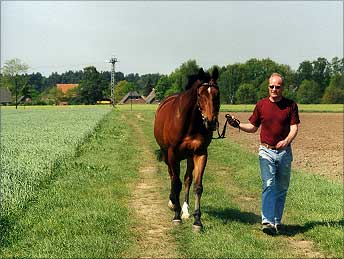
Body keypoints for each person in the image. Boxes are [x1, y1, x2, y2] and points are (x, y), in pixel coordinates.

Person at [228, 73, 300, 236]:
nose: (274, 89)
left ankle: (277, 221)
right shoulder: (261, 105)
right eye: (271, 86)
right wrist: (237, 124)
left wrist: (287, 141)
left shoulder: (291, 105)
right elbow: (253, 127)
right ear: (268, 87)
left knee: (281, 187)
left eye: (277, 86)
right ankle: (267, 221)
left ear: (283, 88)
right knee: (268, 183)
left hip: (284, 153)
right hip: (266, 150)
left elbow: (294, 127)